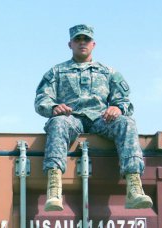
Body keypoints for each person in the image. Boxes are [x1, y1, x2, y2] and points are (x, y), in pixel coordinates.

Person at [34, 24, 153, 211]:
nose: (82, 43)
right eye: (78, 39)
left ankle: (134, 187)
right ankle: (54, 188)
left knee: (127, 123)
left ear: (93, 44)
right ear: (70, 44)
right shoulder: (56, 72)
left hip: (101, 118)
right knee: (57, 123)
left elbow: (124, 101)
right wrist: (54, 107)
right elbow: (42, 99)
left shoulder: (108, 72)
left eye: (86, 40)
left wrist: (117, 108)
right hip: (71, 117)